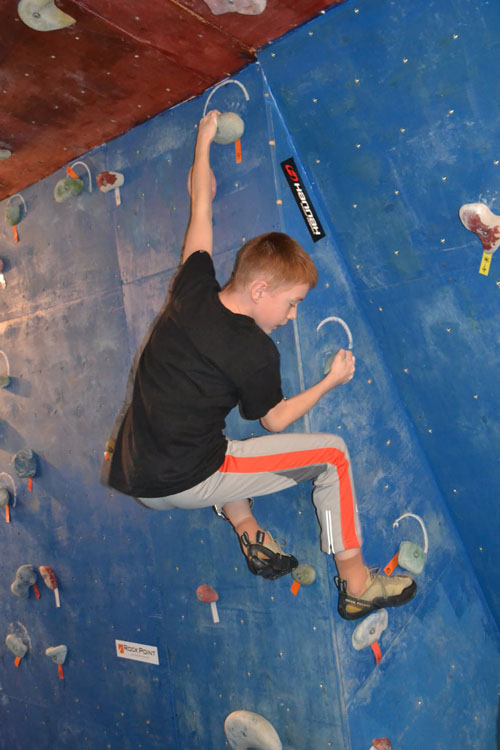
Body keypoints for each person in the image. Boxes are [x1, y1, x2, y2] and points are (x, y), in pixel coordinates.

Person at [107, 110, 417, 621]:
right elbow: (275, 420)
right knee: (332, 457)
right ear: (259, 289)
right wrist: (330, 380)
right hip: (184, 480)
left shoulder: (191, 286)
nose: (292, 316)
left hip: (136, 473)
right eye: (291, 303)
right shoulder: (255, 352)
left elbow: (200, 205)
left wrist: (204, 140)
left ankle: (249, 530)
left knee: (220, 442)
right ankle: (357, 583)